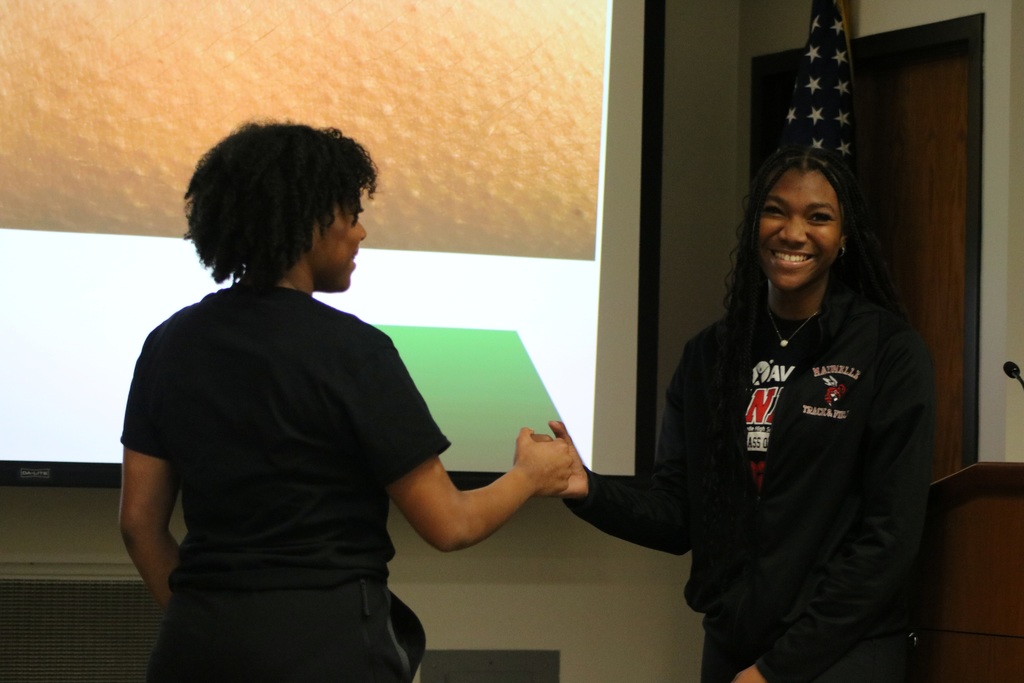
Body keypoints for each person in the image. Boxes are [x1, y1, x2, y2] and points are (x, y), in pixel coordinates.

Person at [118, 121, 574, 683]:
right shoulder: (354, 351)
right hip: (329, 645)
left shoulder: (169, 343)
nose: (359, 234)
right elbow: (449, 524)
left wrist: (206, 617)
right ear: (309, 222)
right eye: (350, 214)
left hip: (194, 645)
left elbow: (139, 524)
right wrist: (531, 474)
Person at [554, 145, 936, 683]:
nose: (793, 232)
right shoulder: (711, 355)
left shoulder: (887, 352)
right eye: (775, 210)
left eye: (818, 217)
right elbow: (678, 515)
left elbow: (888, 540)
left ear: (845, 237)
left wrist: (776, 669)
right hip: (735, 647)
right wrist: (587, 490)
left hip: (844, 652)